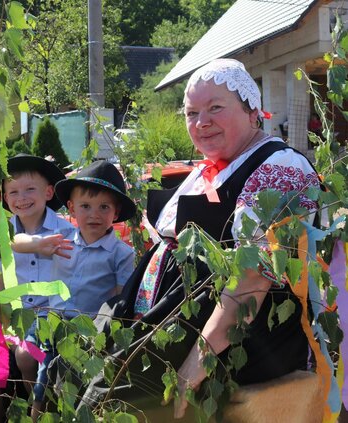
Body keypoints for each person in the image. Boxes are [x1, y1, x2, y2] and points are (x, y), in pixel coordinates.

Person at [79, 59, 320, 419]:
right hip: (167, 319)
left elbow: (253, 277)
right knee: (75, 374)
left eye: (215, 108)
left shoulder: (280, 166)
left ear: (253, 111)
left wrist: (197, 361)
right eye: (192, 113)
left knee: (114, 404)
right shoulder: (207, 170)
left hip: (224, 337)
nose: (201, 122)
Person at [13, 159, 136, 419]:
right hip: (49, 319)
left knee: (49, 376)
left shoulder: (120, 253)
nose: (94, 214)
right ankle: (40, 402)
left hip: (85, 326)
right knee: (25, 357)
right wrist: (38, 244)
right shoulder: (61, 240)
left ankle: (41, 409)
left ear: (115, 213)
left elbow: (119, 298)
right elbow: (16, 241)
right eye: (85, 206)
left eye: (104, 207)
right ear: (71, 209)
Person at [0, 154, 73, 422]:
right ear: (5, 199)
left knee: (28, 356)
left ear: (48, 192)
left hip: (50, 320)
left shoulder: (64, 233)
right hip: (13, 320)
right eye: (13, 192)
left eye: (30, 189)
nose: (22, 197)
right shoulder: (2, 233)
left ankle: (39, 412)